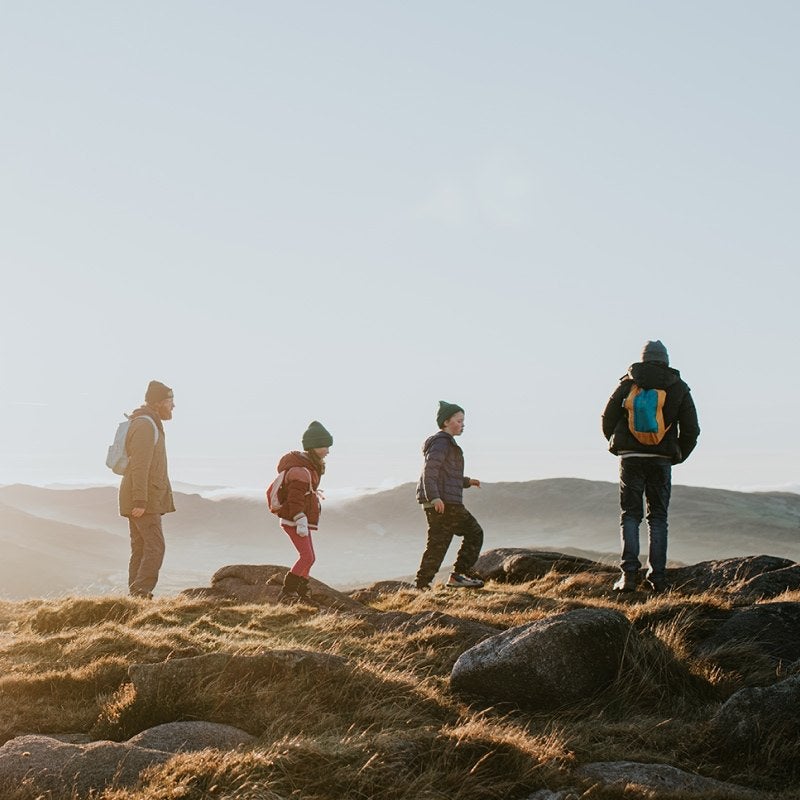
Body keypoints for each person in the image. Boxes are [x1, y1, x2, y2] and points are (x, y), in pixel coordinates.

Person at [602, 341, 700, 593]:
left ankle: (629, 577)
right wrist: (676, 454)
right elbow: (691, 429)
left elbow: (607, 417)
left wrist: (618, 444)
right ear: (665, 360)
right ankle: (657, 577)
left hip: (630, 457)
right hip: (660, 459)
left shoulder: (627, 383)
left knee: (630, 516)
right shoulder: (678, 387)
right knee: (658, 517)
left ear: (643, 359)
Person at [415, 401, 485, 590]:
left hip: (442, 500)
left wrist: (467, 481)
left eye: (463, 421)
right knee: (474, 532)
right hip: (444, 502)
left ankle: (422, 584)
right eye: (459, 420)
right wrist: (434, 497)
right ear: (446, 422)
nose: (463, 424)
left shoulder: (445, 443)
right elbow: (430, 471)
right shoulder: (441, 442)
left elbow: (448, 475)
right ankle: (459, 575)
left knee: (439, 543)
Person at [119, 380, 176, 598]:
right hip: (143, 500)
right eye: (170, 401)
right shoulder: (145, 425)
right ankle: (141, 593)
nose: (173, 406)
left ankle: (135, 596)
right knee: (155, 547)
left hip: (144, 497)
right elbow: (140, 466)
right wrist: (140, 501)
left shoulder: (149, 423)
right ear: (159, 402)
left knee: (142, 548)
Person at [273, 420, 333, 602]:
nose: (328, 451)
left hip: (300, 520)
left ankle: (301, 592)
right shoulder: (300, 471)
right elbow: (294, 499)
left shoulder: (309, 467)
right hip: (295, 520)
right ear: (313, 447)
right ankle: (288, 591)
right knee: (307, 557)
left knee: (310, 557)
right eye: (325, 446)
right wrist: (300, 518)